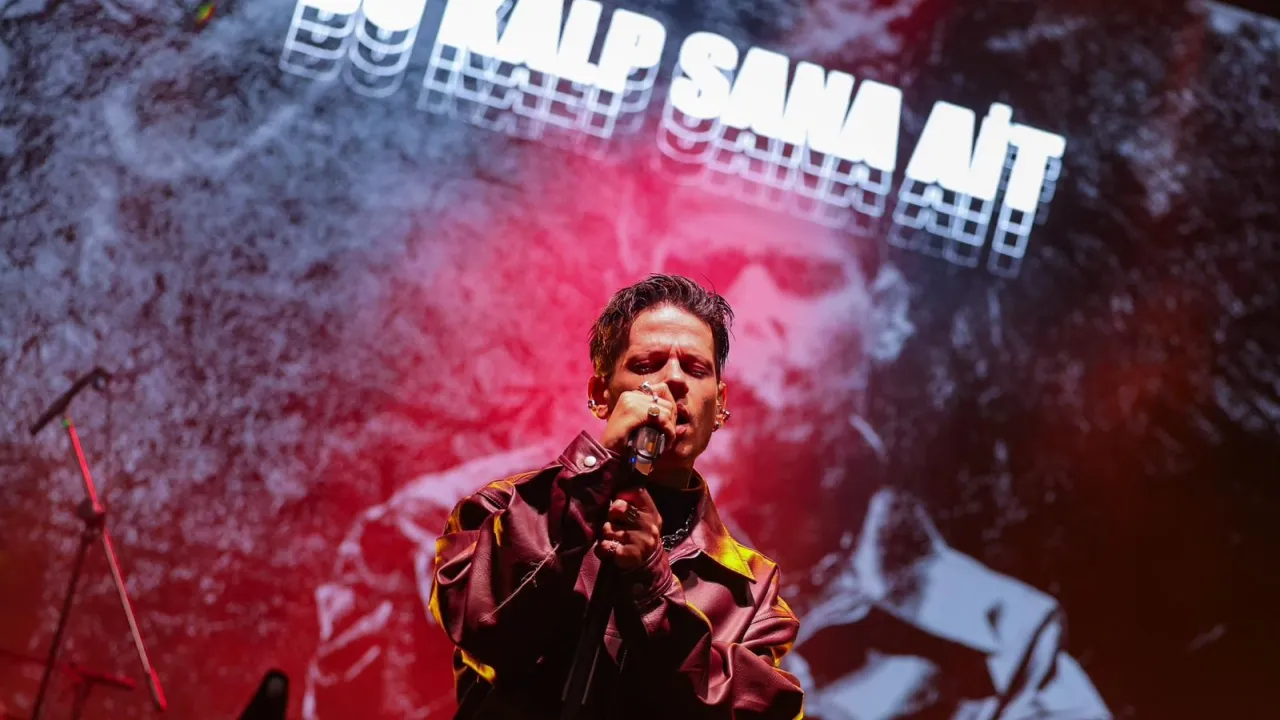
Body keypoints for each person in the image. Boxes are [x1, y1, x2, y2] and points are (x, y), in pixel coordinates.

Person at [428, 274, 806, 719]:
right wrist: (593, 475)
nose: (673, 380)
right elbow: (485, 626)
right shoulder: (502, 508)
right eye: (647, 365)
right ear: (600, 395)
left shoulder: (752, 591)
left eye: (695, 369)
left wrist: (652, 586)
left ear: (720, 405)